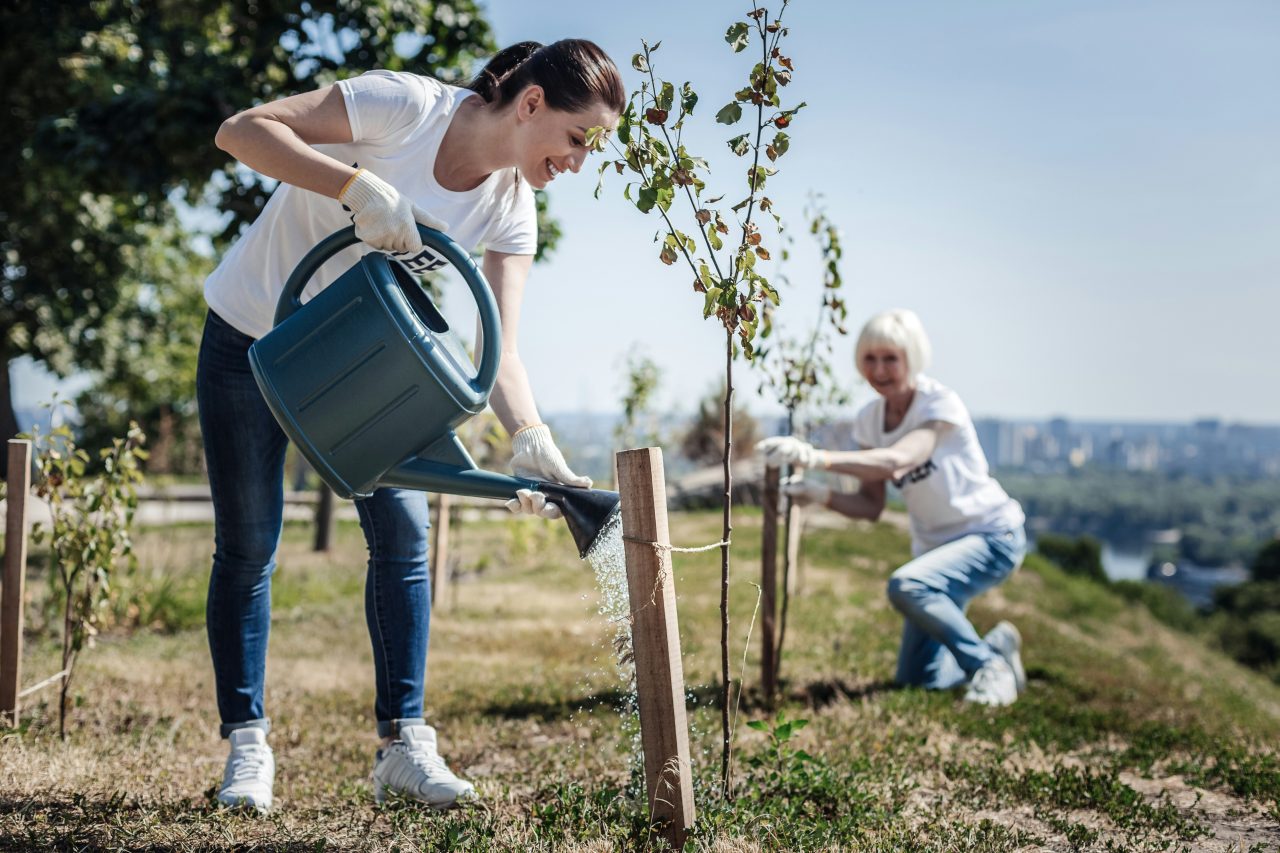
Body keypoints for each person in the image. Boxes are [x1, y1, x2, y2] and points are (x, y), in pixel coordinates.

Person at [199, 40, 625, 812]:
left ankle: (403, 743)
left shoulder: (510, 206)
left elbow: (500, 349)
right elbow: (240, 130)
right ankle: (248, 744)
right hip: (252, 337)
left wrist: (531, 437)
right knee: (248, 545)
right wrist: (356, 183)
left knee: (403, 538)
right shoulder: (404, 108)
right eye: (578, 139)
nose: (579, 162)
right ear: (531, 104)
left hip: (357, 361)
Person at [757, 309, 1028, 706]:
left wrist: (814, 457)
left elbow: (897, 460)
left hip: (992, 536)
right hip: (936, 553)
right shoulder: (869, 420)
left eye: (890, 359)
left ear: (911, 358)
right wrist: (819, 495)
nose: (880, 369)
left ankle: (988, 667)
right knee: (921, 679)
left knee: (908, 585)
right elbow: (870, 504)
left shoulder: (938, 405)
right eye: (870, 359)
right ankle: (996, 646)